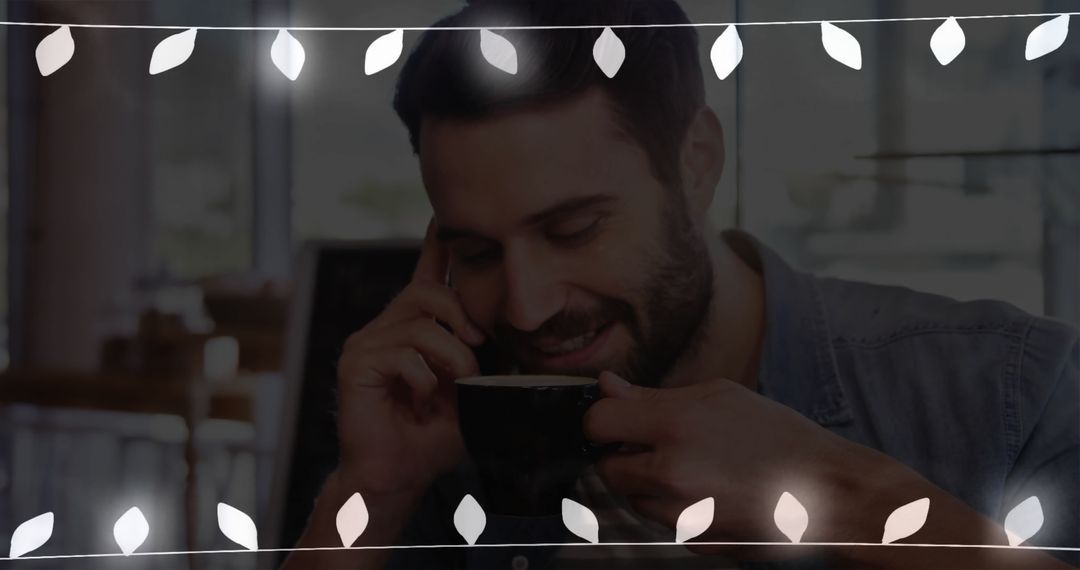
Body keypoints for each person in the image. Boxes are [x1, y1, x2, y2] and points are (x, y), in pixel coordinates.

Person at [283, 1, 1079, 568]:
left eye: (574, 229)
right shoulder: (440, 438)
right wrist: (373, 493)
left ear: (695, 163)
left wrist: (840, 495)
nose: (526, 305)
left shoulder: (1007, 391)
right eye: (478, 253)